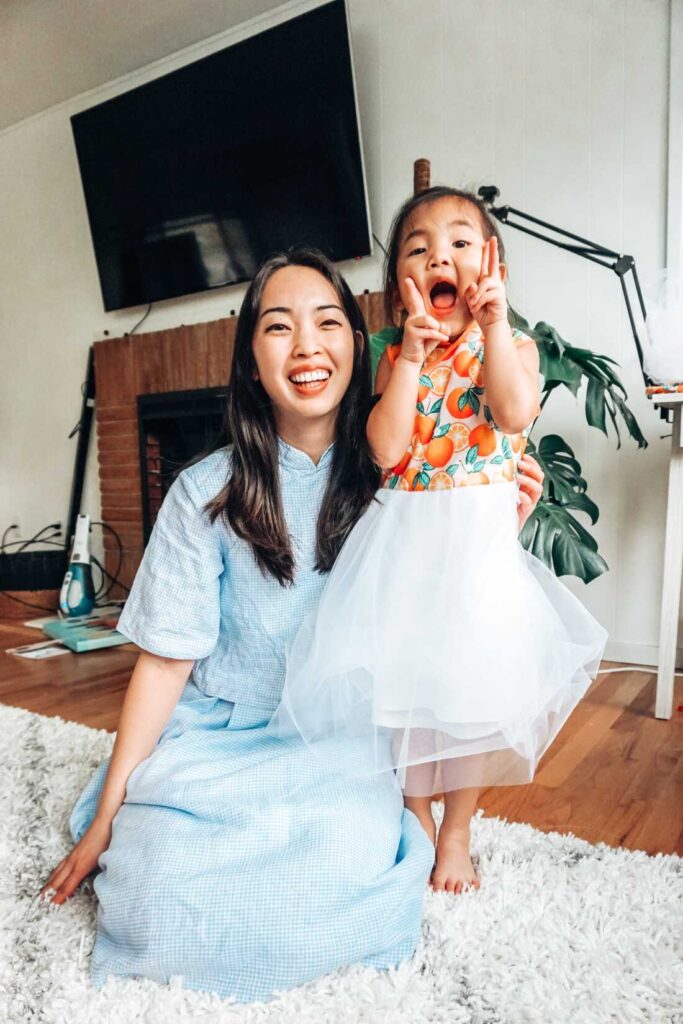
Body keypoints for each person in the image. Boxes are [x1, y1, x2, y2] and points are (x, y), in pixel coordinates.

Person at [40, 247, 545, 1002]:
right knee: (153, 890)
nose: (307, 347)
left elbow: (450, 622)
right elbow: (165, 665)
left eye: (327, 323)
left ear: (356, 345)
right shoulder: (201, 492)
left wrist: (493, 526)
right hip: (217, 732)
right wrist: (107, 816)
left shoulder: (401, 476)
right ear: (249, 361)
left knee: (336, 880)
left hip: (338, 740)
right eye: (279, 328)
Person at [270, 190, 608, 896]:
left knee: (470, 702)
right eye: (418, 248)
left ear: (492, 266)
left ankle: (456, 830)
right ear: (401, 286)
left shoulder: (509, 346)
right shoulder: (393, 353)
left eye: (459, 242)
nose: (439, 256)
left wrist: (493, 324)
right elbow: (387, 449)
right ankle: (413, 811)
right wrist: (413, 360)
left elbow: (513, 411)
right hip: (404, 550)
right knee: (404, 695)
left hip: (477, 557)